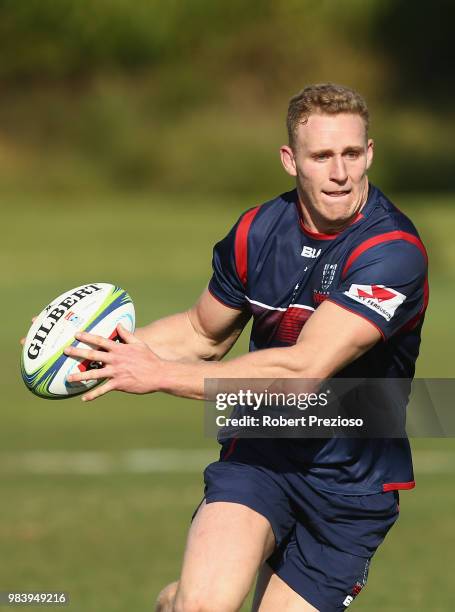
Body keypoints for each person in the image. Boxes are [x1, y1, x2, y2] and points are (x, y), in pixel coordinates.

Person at [63, 84, 428, 611]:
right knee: (204, 606)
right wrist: (92, 348)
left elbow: (303, 369)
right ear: (290, 160)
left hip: (351, 488)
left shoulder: (392, 252)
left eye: (352, 154)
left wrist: (160, 376)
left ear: (370, 152)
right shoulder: (257, 232)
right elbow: (200, 332)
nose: (340, 172)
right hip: (261, 455)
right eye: (321, 156)